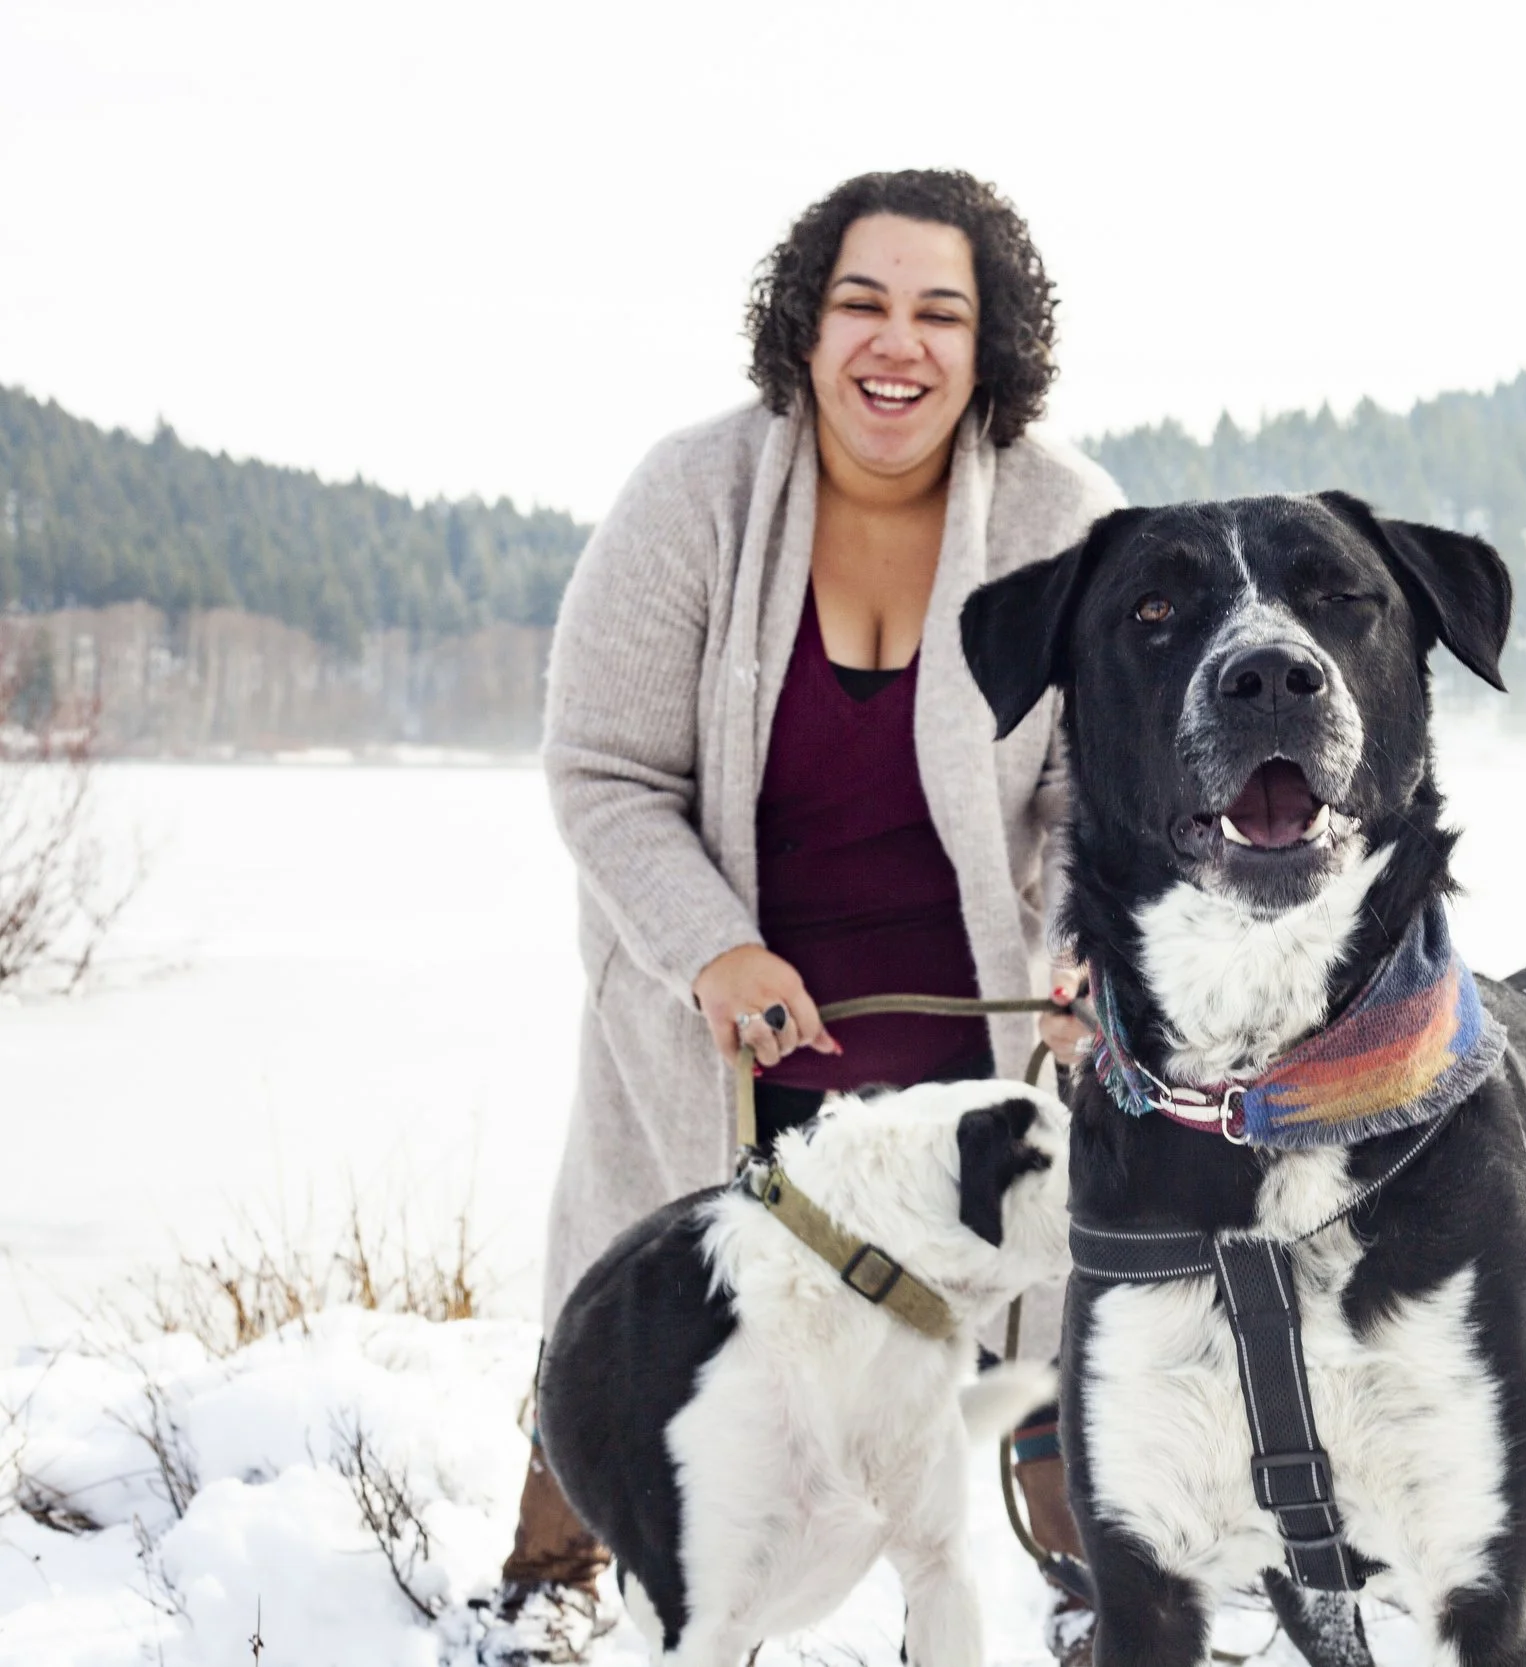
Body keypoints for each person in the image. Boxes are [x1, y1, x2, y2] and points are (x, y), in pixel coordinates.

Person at [496, 169, 1116, 1648]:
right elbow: (603, 769)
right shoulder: (692, 496)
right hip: (719, 1034)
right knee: (652, 1316)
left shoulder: (1065, 519)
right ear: (806, 318)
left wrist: (1088, 938)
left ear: (989, 345)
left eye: (938, 312)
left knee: (1016, 1321)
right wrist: (710, 943)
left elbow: (1105, 800)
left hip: (966, 1055)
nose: (894, 344)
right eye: (863, 301)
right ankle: (555, 1572)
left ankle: (1079, 1574)